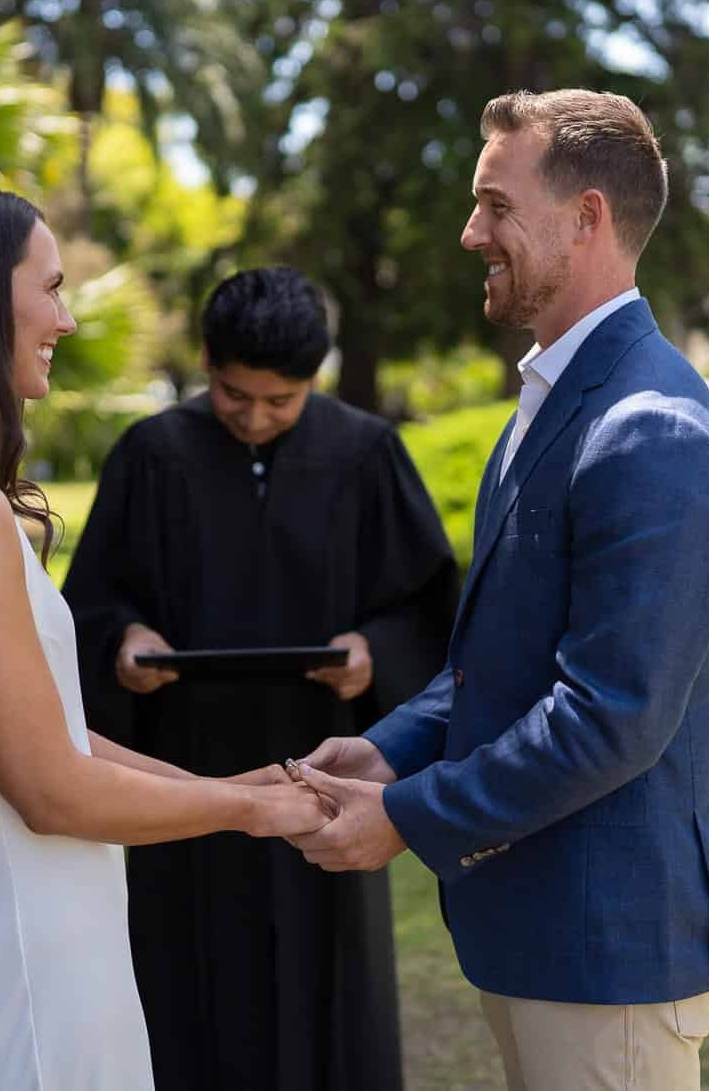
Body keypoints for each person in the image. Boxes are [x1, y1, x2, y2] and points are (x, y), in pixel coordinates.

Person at [0, 183, 329, 1091]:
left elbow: (59, 739)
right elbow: (51, 790)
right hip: (23, 983)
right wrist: (251, 810)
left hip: (40, 959)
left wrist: (240, 784)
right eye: (48, 287)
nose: (68, 318)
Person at [290, 90, 709, 1091]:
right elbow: (497, 655)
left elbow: (608, 716)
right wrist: (387, 746)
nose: (470, 233)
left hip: (609, 954)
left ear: (584, 218)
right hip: (546, 937)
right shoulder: (554, 400)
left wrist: (408, 813)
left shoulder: (651, 429)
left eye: (494, 205)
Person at [64, 266, 458, 1091]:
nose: (254, 418)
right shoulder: (151, 453)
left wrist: (372, 651)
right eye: (234, 395)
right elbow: (90, 605)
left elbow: (429, 608)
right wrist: (122, 643)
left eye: (281, 402)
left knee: (327, 994)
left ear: (315, 375)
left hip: (322, 775)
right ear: (207, 360)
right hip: (183, 774)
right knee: (184, 984)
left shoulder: (365, 452)